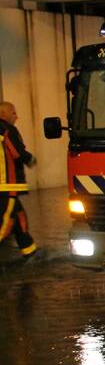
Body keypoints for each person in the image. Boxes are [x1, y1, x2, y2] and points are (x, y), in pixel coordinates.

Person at [0, 101, 37, 259]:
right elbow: (16, 152)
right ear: (3, 114)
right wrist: (30, 159)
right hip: (7, 186)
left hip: (6, 187)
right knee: (5, 221)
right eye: (13, 113)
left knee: (19, 217)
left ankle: (30, 252)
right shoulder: (6, 129)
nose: (17, 117)